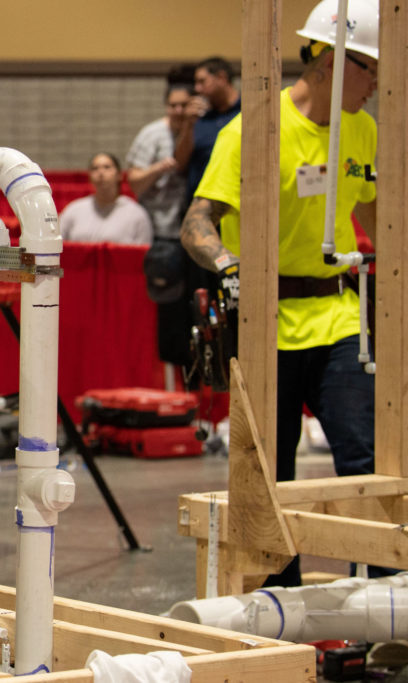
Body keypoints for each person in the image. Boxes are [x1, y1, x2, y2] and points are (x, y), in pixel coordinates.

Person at [179, 0, 379, 585]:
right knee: (272, 469)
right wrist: (229, 264)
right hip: (268, 321)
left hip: (340, 315)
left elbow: (384, 217)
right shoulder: (255, 130)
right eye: (370, 70)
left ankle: (380, 596)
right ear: (330, 65)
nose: (378, 86)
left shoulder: (363, 129)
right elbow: (197, 222)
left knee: (361, 457)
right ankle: (279, 600)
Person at [126, 66, 197, 240]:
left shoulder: (202, 131)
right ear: (166, 106)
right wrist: (157, 168)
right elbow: (134, 182)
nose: (179, 111)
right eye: (173, 106)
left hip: (194, 228)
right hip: (160, 229)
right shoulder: (152, 134)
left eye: (184, 105)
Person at [180, 56, 241, 204]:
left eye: (202, 81)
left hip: (234, 204)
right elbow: (181, 163)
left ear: (221, 77)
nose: (197, 89)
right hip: (198, 205)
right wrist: (188, 125)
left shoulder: (247, 112)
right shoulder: (199, 117)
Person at [59, 152, 153, 246]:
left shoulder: (136, 214)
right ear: (90, 177)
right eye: (95, 168)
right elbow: (57, 245)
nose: (101, 173)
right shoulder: (73, 210)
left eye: (107, 167)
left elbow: (143, 254)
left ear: (119, 175)